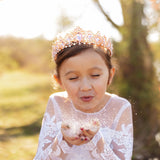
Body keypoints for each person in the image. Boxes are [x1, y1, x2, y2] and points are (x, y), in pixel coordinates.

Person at [34, 26, 133, 160]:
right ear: (59, 80)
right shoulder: (56, 102)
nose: (85, 87)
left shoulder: (120, 107)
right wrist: (64, 140)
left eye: (95, 75)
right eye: (73, 78)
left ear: (110, 75)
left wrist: (96, 140)